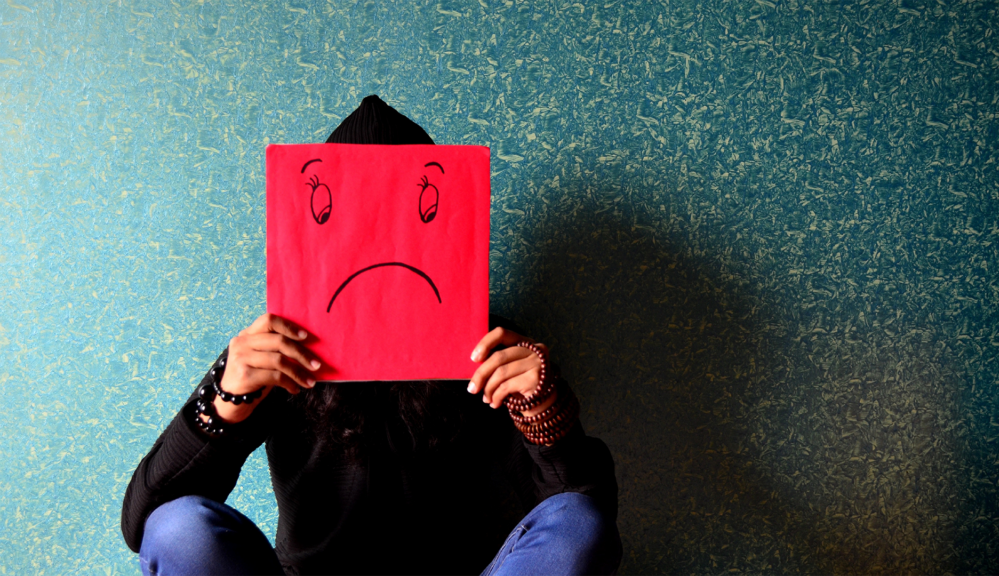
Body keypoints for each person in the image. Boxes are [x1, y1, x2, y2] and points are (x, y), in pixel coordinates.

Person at [120, 95, 622, 576]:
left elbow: (584, 525)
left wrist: (544, 406)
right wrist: (228, 397)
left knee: (578, 524)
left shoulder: (483, 345)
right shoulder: (280, 348)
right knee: (178, 528)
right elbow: (146, 522)